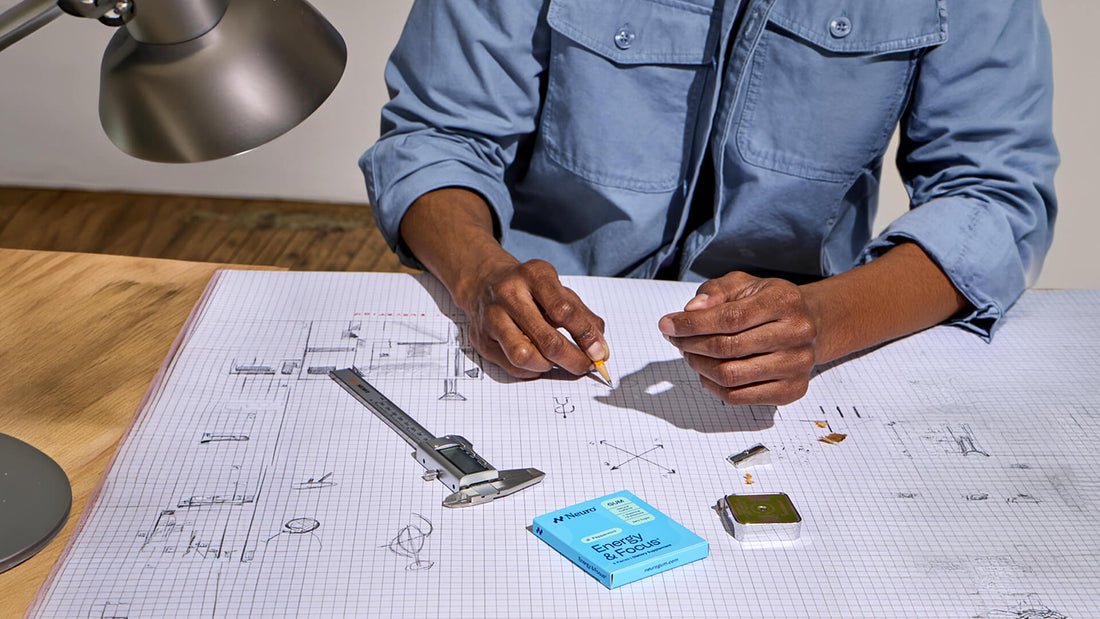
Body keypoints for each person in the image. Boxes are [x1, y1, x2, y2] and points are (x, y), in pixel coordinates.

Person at [360, 0, 1058, 406]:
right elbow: (436, 135)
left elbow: (994, 198)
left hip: (807, 358)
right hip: (534, 343)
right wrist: (480, 273)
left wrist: (822, 321)